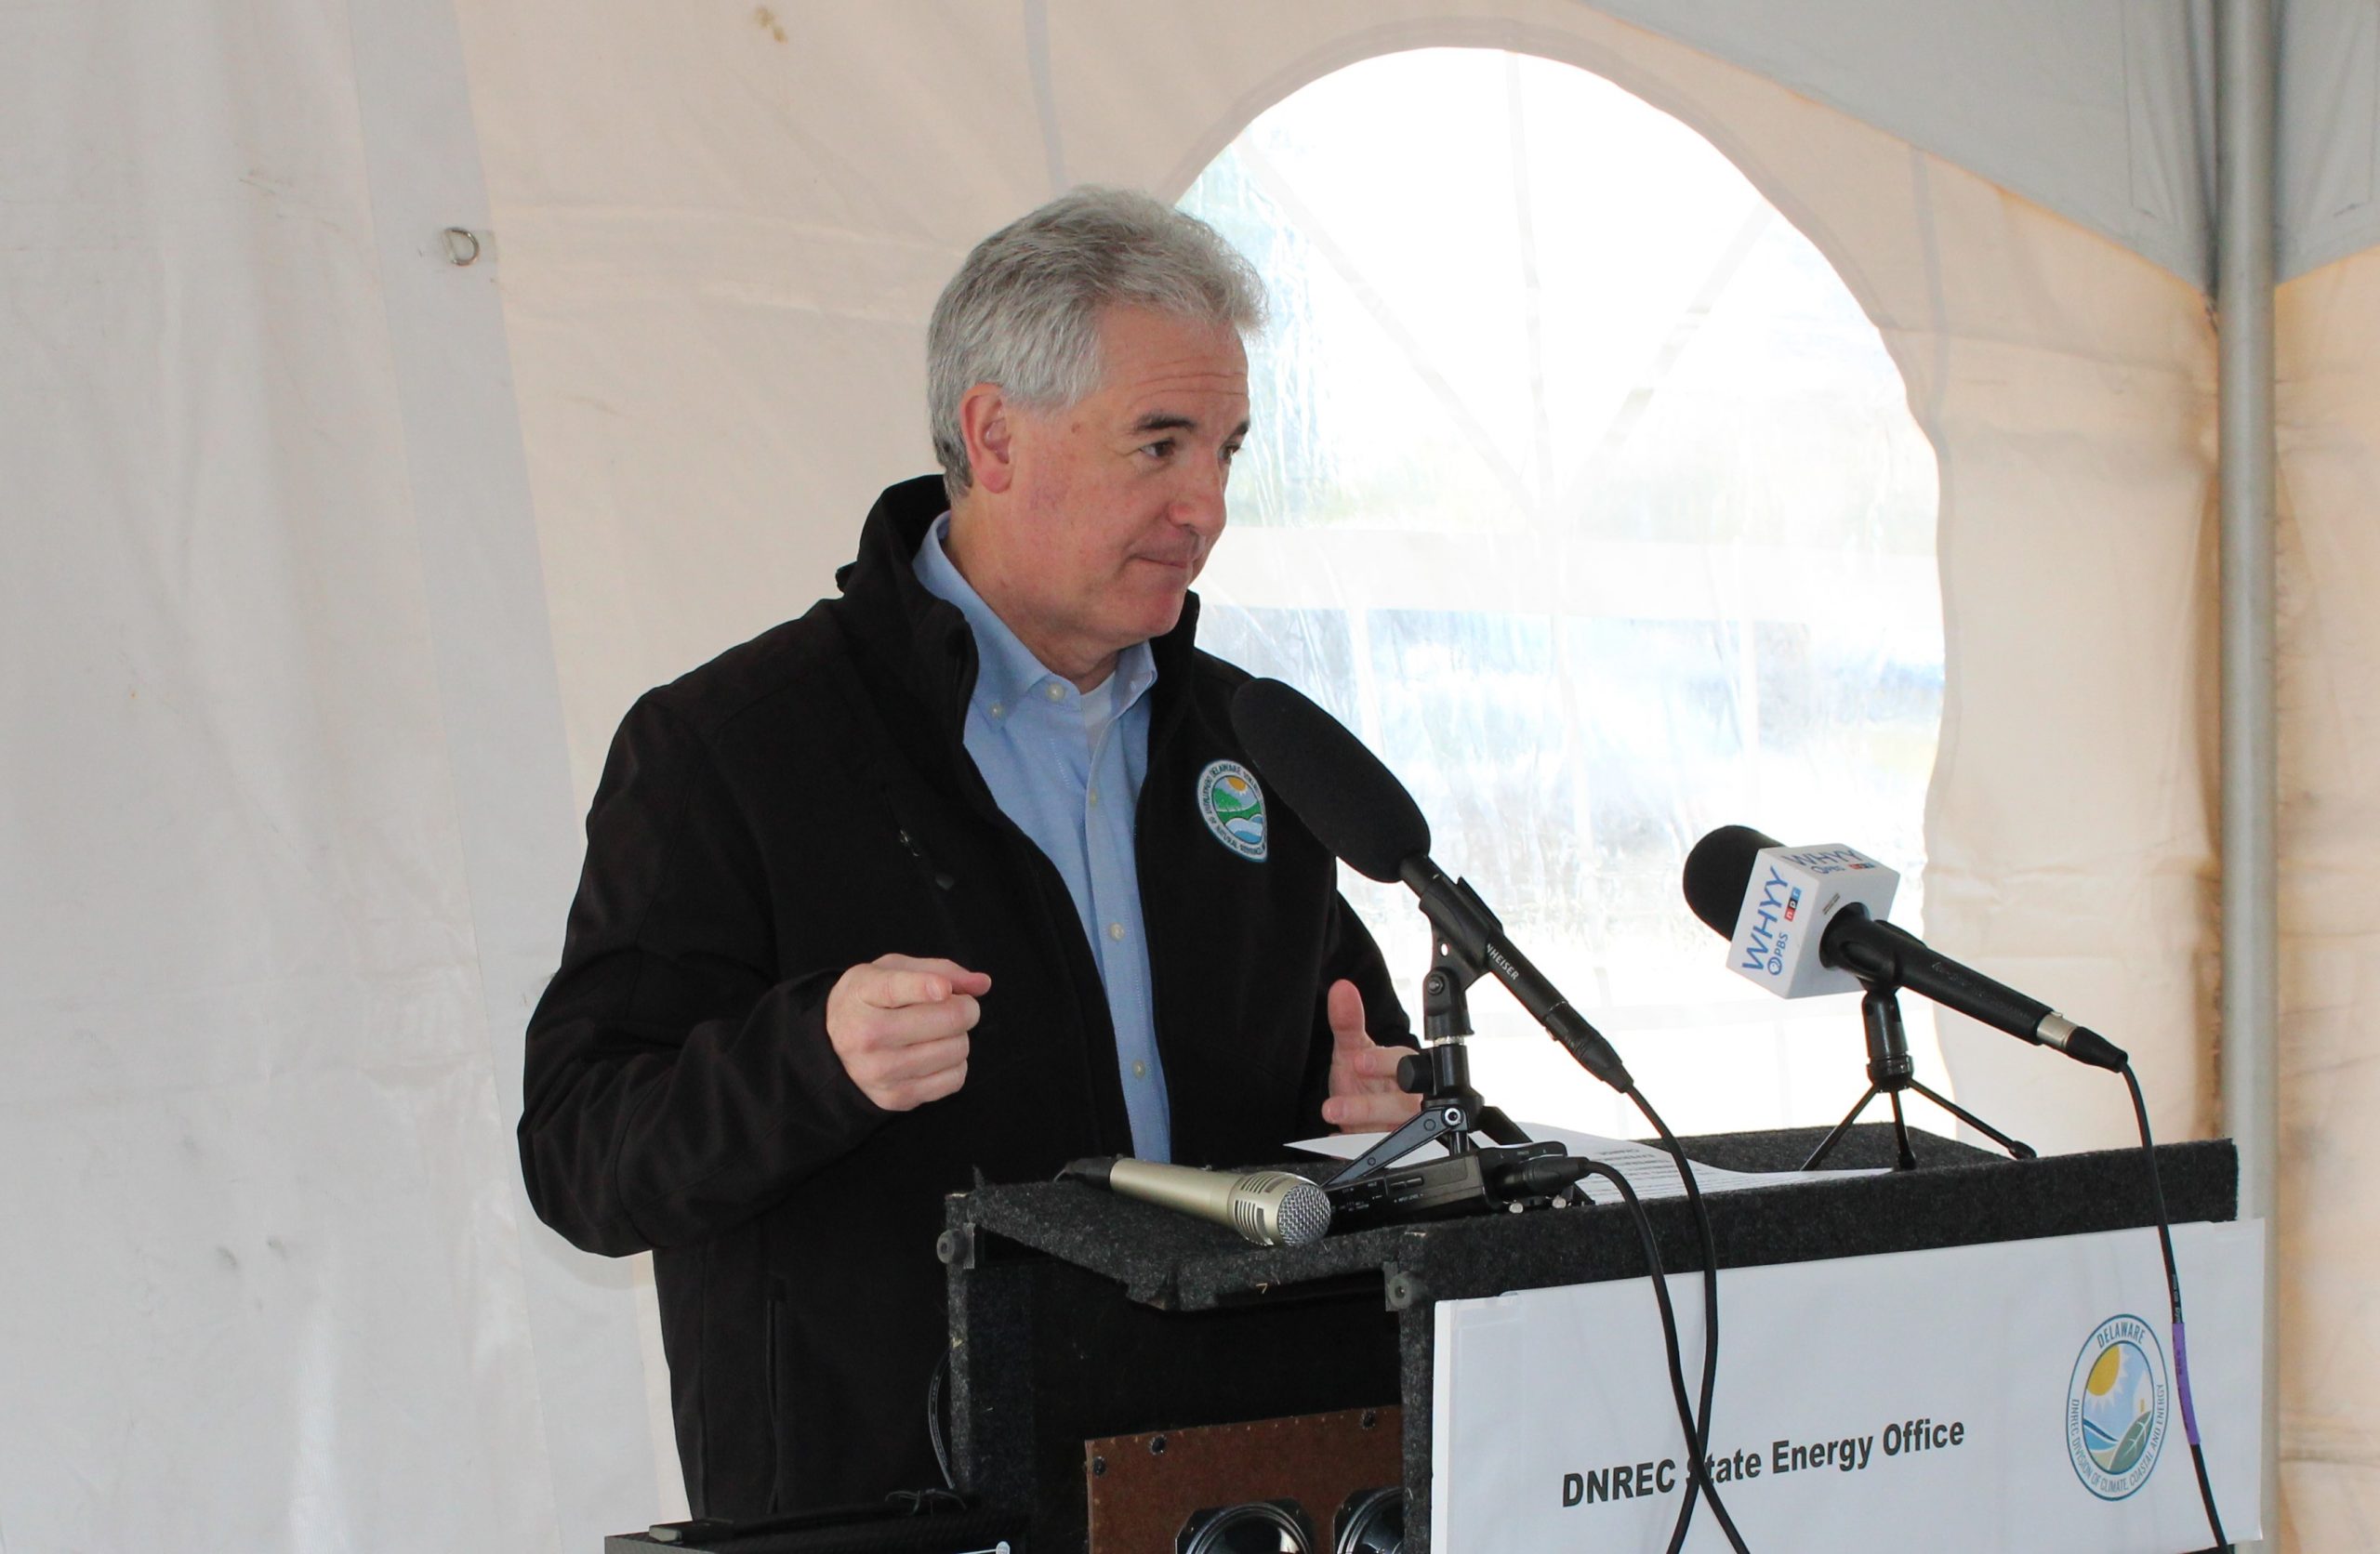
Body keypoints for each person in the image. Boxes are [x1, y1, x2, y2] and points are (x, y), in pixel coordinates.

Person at [518, 188, 1421, 1521]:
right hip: (895, 1512)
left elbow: (1343, 1071)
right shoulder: (737, 746)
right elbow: (584, 1157)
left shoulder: (1254, 748)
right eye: (1159, 445)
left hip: (1235, 1492)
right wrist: (809, 1059)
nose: (1206, 505)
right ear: (994, 435)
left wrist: (1379, 1118)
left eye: (1227, 450)